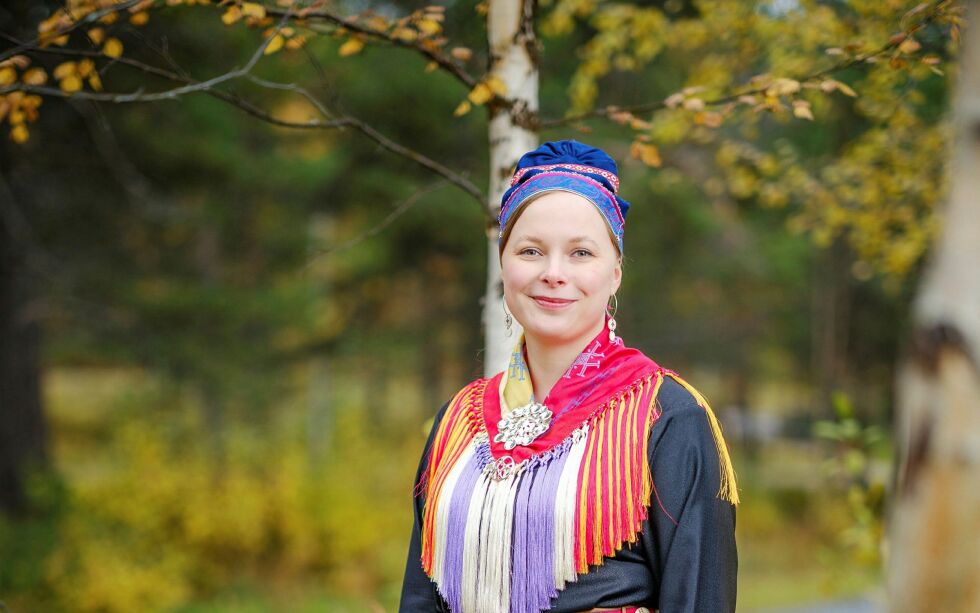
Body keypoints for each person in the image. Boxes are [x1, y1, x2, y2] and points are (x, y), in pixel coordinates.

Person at [399, 140, 739, 613]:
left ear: (615, 272)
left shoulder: (666, 417)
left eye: (581, 253)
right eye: (531, 251)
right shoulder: (458, 421)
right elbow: (421, 595)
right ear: (503, 264)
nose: (553, 273)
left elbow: (699, 598)